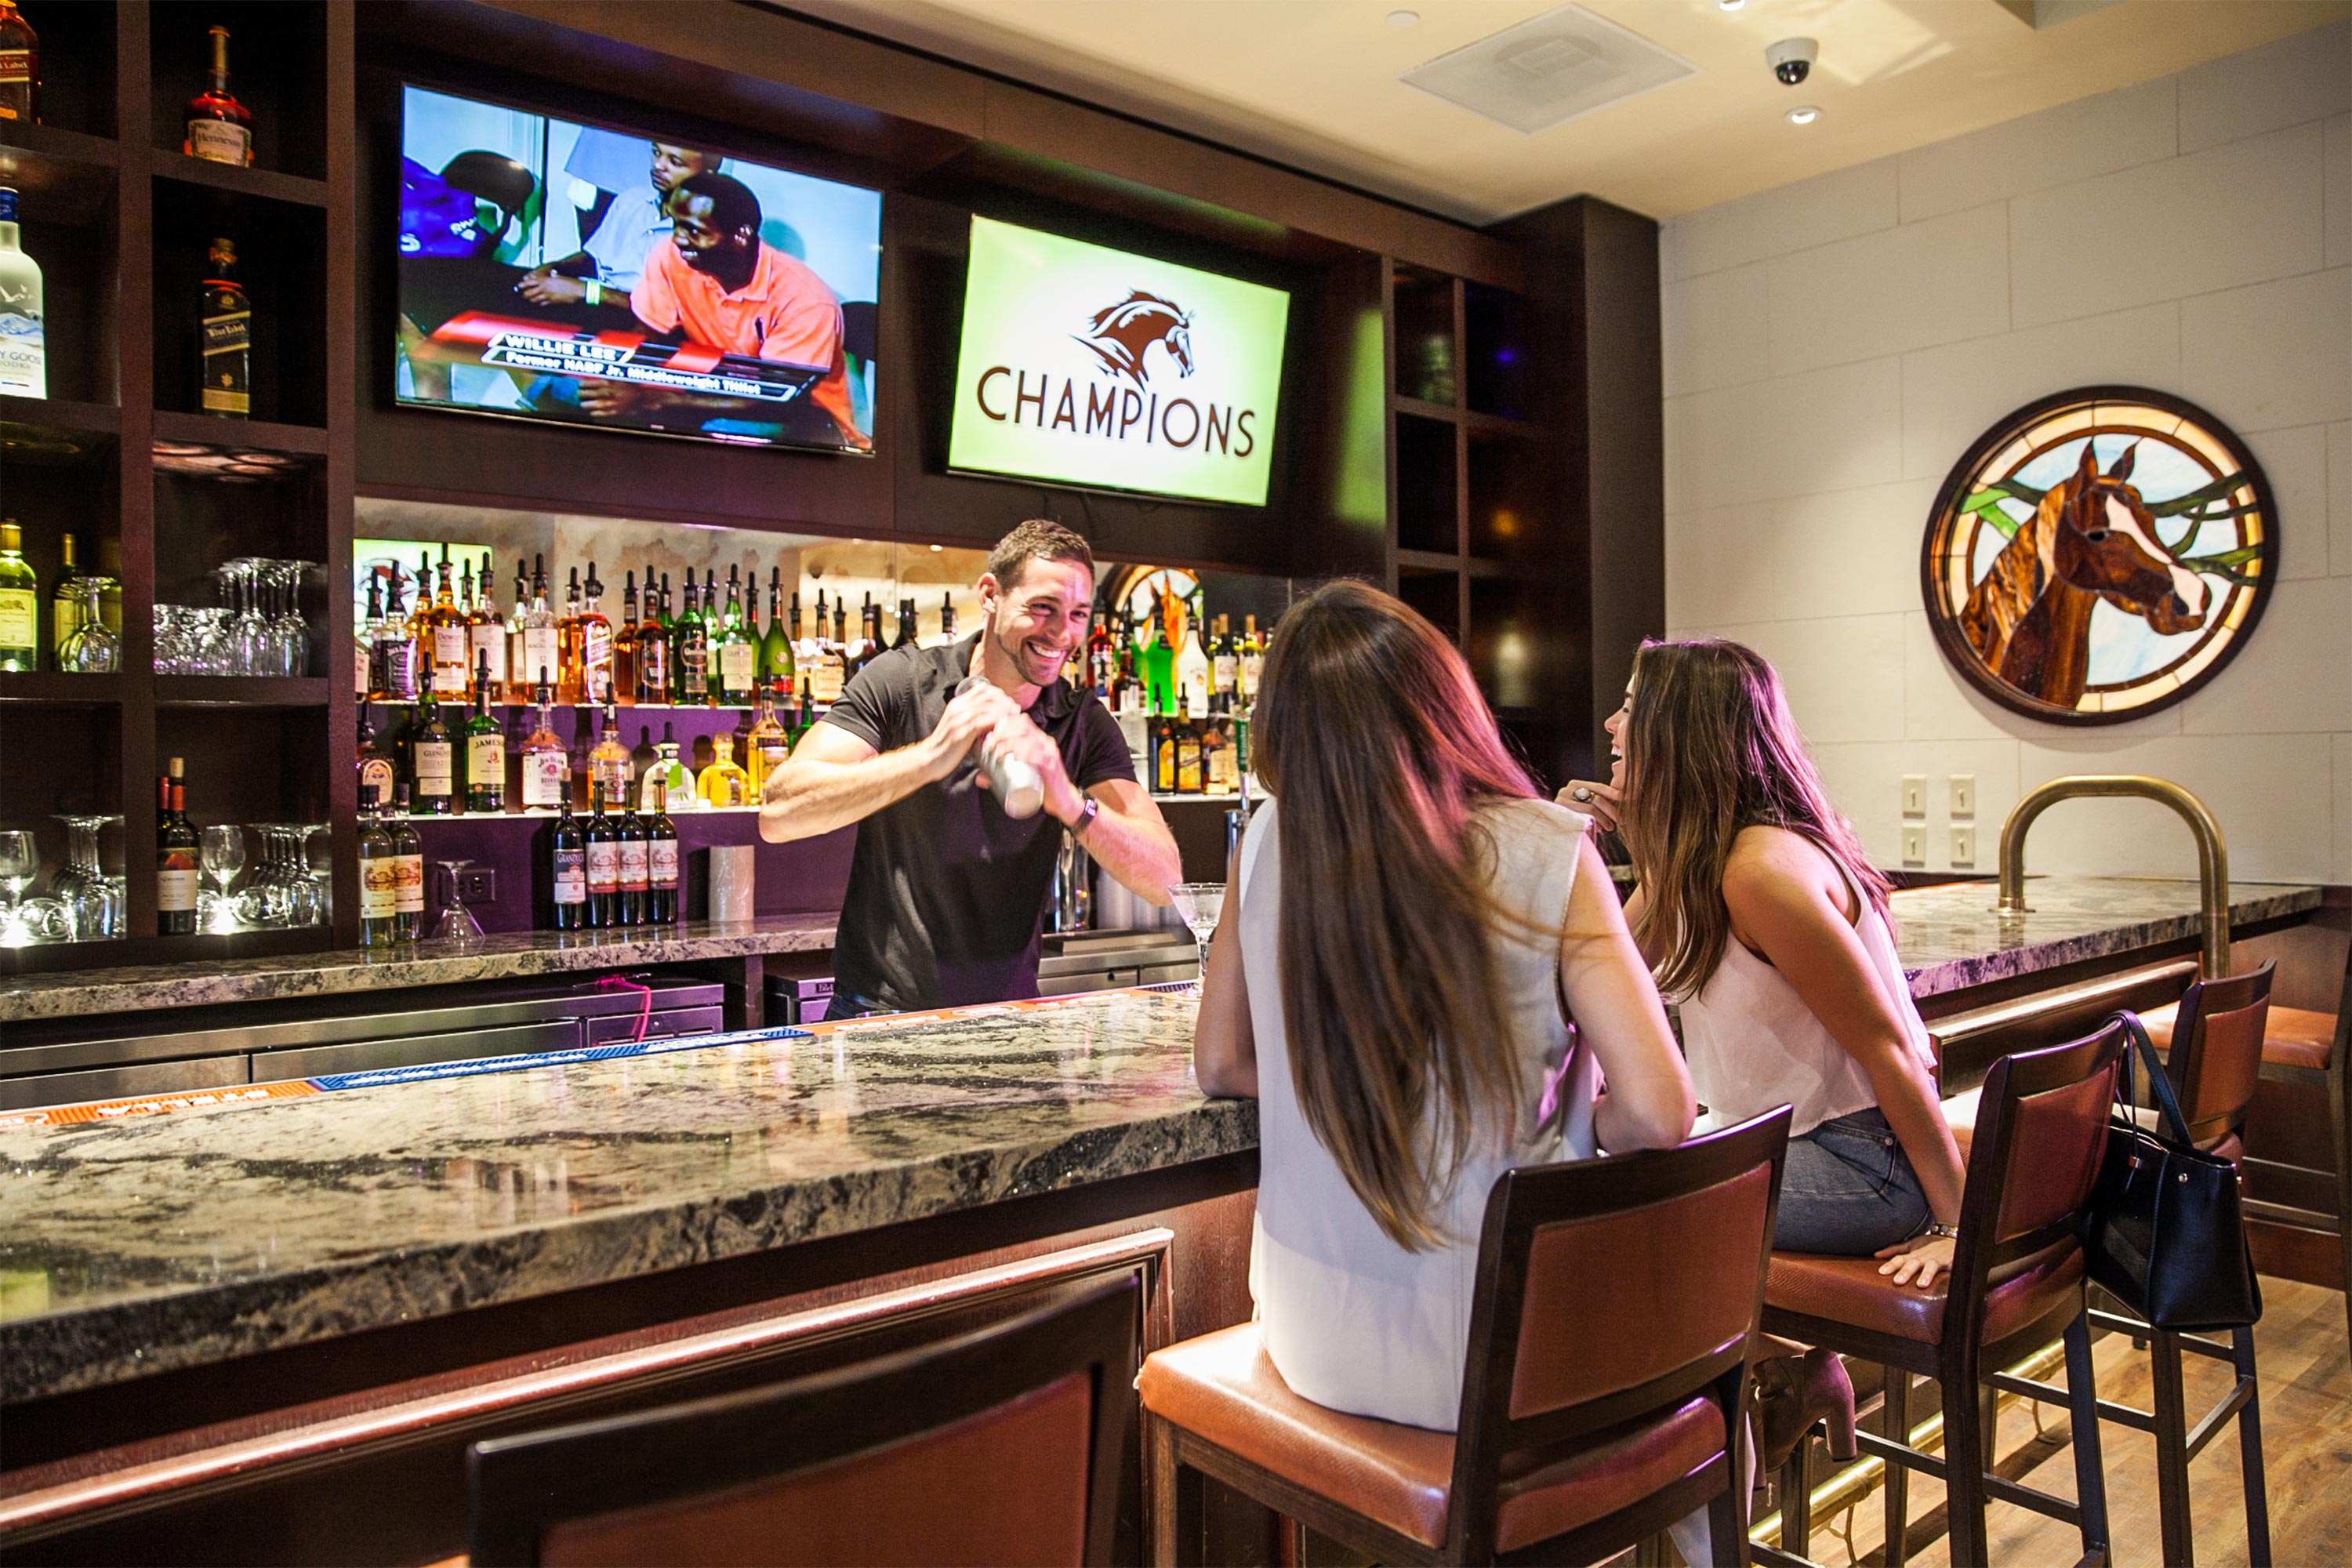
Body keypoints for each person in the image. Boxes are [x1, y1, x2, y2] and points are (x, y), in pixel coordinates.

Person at [1191, 582, 1708, 1541]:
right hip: (1507, 1353)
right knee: (1701, 1368)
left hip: (1315, 1340)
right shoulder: (1550, 845)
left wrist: (1348, 1081)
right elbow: (1663, 1112)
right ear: (1445, 702)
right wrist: (1571, 1106)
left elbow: (1220, 1061)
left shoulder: (1263, 840)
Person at [1557, 637, 1965, 1289]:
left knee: (1596, 1205)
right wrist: (1568, 843)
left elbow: (1889, 1048)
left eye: (1631, 708)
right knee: (1587, 1185)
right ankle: (1782, 1379)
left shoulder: (1759, 873)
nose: (1611, 724)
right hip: (1804, 1144)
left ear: (1679, 732)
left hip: (1864, 1167)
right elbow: (1597, 976)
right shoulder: (1707, 859)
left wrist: (1956, 1227)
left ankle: (1781, 1375)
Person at [760, 521, 1179, 1014]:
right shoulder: (903, 681)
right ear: (990, 594)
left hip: (1011, 1021)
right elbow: (780, 812)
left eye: (1077, 615)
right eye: (1042, 608)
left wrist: (1067, 798)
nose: (1062, 634)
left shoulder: (1080, 720)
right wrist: (929, 757)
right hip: (879, 1017)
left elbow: (1165, 879)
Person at [578, 171, 869, 450]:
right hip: (714, 388)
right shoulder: (672, 255)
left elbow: (777, 397)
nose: (678, 239)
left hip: (804, 419)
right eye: (675, 223)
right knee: (583, 399)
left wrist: (648, 398)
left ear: (741, 236)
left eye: (693, 230)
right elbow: (649, 331)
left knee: (719, 432)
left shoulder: (806, 300)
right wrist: (613, 374)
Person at [513, 140, 724, 318]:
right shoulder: (632, 199)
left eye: (675, 162)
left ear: (706, 173)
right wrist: (553, 267)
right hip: (590, 302)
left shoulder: (708, 236)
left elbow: (672, 313)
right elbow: (594, 256)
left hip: (638, 324)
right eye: (656, 153)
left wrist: (585, 291)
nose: (659, 165)